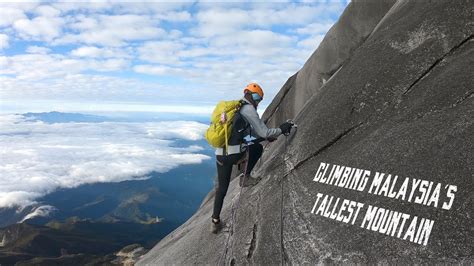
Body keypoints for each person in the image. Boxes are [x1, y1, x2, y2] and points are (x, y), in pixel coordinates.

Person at [211, 83, 294, 233]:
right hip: (235, 154)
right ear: (250, 95)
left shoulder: (234, 108)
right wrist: (281, 129)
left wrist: (263, 138)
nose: (257, 101)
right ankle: (246, 177)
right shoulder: (248, 109)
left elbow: (242, 135)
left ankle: (215, 221)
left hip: (220, 155)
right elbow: (264, 132)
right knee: (257, 148)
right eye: (257, 97)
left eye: (259, 99)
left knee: (222, 189)